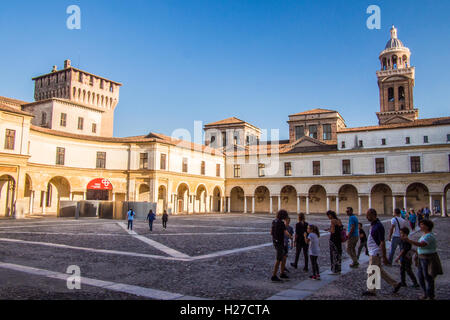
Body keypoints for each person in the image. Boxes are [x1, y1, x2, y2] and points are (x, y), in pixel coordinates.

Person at [362, 208, 402, 296]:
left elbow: (382, 242)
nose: (366, 217)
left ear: (373, 215)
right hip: (373, 250)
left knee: (372, 270)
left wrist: (384, 256)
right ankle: (395, 284)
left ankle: (371, 290)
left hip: (375, 251)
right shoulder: (374, 224)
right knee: (379, 270)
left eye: (368, 215)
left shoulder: (378, 226)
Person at [401, 219, 443, 300]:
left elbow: (422, 244)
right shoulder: (424, 234)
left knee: (428, 277)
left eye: (422, 224)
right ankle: (425, 293)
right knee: (420, 276)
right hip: (421, 257)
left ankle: (430, 295)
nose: (420, 226)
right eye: (420, 224)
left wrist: (409, 240)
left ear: (427, 226)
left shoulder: (429, 236)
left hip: (428, 258)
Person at [271, 210, 293, 282]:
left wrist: (275, 237)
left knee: (283, 257)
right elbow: (285, 231)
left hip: (276, 242)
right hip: (279, 243)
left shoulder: (274, 221)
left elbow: (271, 232)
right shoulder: (281, 223)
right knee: (279, 259)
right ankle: (274, 275)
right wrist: (290, 236)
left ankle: (282, 272)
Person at [326, 210, 343, 275]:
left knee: (333, 254)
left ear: (330, 215)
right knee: (338, 254)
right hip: (339, 239)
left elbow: (333, 231)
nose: (328, 217)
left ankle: (334, 270)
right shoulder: (339, 220)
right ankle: (339, 269)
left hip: (333, 239)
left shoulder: (332, 221)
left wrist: (329, 230)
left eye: (328, 215)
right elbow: (340, 228)